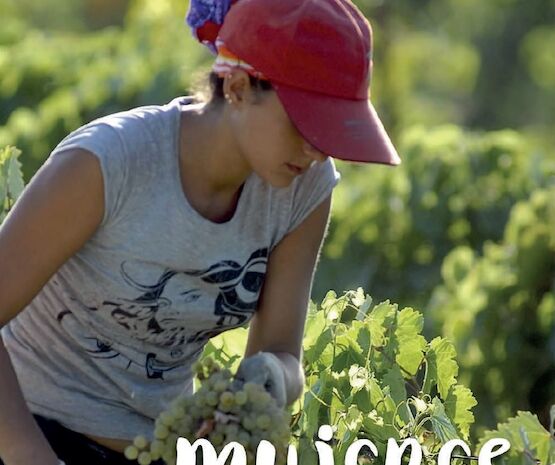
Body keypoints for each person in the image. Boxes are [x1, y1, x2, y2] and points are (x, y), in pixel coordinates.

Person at [0, 0, 400, 464]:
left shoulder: (303, 188)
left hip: (156, 450)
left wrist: (267, 376)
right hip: (29, 429)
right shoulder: (107, 164)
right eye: (304, 123)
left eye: (330, 130)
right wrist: (26, 454)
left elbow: (282, 354)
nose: (316, 148)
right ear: (237, 87)